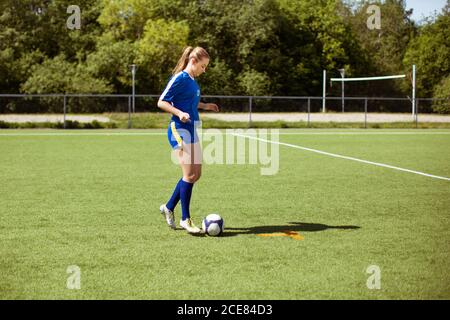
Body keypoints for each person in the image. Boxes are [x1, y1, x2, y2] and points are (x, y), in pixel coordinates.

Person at [157, 46, 219, 233]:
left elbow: (188, 101)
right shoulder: (180, 78)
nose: (204, 70)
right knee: (189, 174)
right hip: (179, 129)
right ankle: (185, 219)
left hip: (192, 129)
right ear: (193, 61)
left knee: (195, 174)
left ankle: (168, 207)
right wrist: (179, 113)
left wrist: (205, 105)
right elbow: (161, 101)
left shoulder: (192, 81)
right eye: (203, 66)